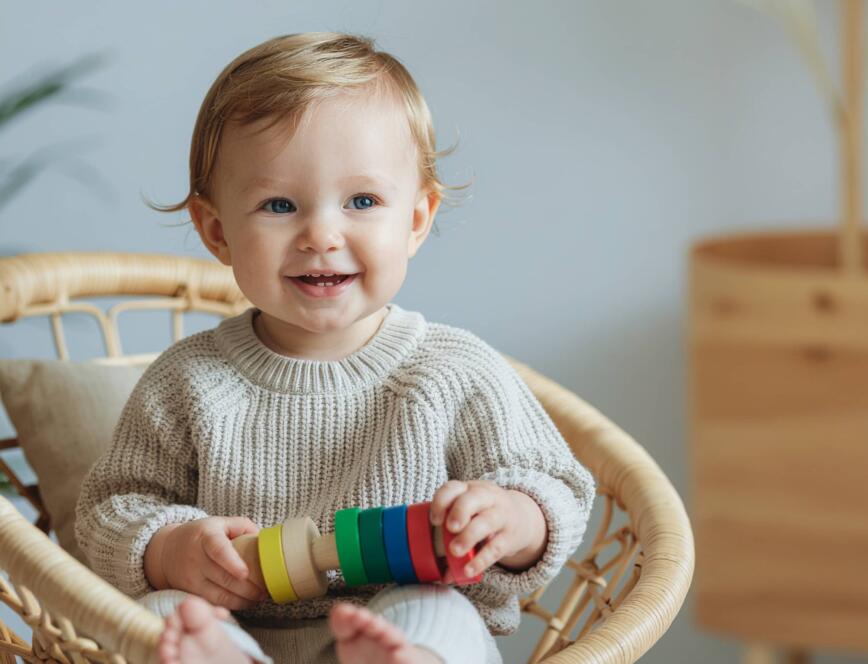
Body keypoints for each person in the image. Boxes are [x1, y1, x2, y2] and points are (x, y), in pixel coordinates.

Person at [74, 31, 596, 664]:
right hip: (237, 628)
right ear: (217, 232)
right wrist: (168, 548)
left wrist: (510, 518)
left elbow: (558, 487)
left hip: (399, 613)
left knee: (439, 611)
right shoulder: (188, 382)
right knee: (164, 618)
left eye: (362, 201)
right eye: (279, 204)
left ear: (415, 220)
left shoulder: (453, 370)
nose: (321, 234)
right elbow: (111, 507)